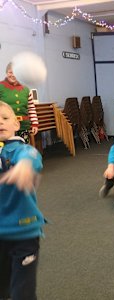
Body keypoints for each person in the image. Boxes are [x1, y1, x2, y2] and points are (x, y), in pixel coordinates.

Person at [0, 101, 45, 300]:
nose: (0, 123)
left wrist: (25, 165)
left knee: (22, 291)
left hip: (23, 232)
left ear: (16, 124)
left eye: (4, 118)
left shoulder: (16, 149)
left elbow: (31, 155)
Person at [0, 62, 38, 143]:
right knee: (6, 151)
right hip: (5, 127)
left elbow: (31, 108)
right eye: (10, 72)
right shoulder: (1, 86)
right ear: (7, 73)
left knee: (22, 150)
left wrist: (34, 124)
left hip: (23, 126)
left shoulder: (26, 89)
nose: (13, 75)